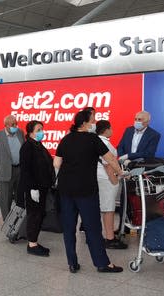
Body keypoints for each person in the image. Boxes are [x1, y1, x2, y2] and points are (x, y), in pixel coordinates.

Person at [54, 110, 125, 273]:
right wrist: (120, 173)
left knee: (69, 227)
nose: (95, 123)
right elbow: (111, 159)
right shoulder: (93, 139)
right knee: (92, 227)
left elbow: (57, 163)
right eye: (93, 120)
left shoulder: (65, 139)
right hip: (86, 190)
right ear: (85, 123)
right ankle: (102, 263)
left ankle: (72, 263)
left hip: (65, 190)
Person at [19, 120, 55, 257]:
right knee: (34, 215)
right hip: (33, 188)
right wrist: (32, 188)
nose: (42, 132)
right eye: (38, 130)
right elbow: (26, 170)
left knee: (40, 214)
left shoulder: (39, 145)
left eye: (42, 129)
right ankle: (32, 244)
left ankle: (34, 241)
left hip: (43, 187)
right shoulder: (27, 146)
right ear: (31, 132)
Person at [96, 120, 128, 249]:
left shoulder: (97, 141)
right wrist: (115, 178)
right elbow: (107, 163)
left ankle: (106, 236)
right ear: (106, 130)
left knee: (104, 207)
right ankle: (110, 238)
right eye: (111, 128)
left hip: (101, 177)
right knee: (108, 209)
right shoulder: (104, 143)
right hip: (107, 179)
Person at [0, 115, 24, 220]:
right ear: (6, 125)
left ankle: (19, 220)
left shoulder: (20, 133)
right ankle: (7, 221)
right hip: (5, 171)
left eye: (16, 123)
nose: (15, 126)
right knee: (6, 198)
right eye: (13, 124)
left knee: (20, 197)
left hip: (20, 169)